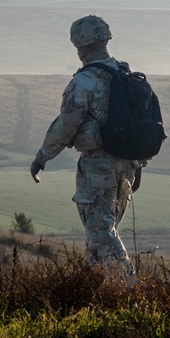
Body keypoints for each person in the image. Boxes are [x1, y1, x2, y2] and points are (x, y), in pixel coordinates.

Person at [29, 14, 142, 276]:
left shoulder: (84, 81)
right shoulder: (125, 75)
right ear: (105, 40)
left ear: (80, 45)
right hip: (128, 165)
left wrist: (42, 157)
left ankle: (129, 290)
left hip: (98, 166)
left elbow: (67, 124)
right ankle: (91, 293)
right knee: (102, 232)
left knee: (102, 234)